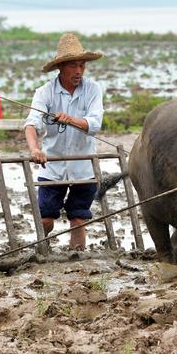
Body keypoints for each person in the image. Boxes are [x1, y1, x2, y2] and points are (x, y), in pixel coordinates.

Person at [24, 33, 104, 250]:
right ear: (60, 67)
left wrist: (72, 119)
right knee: (45, 219)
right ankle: (42, 247)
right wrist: (35, 149)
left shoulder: (93, 90)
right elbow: (32, 124)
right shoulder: (44, 93)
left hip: (83, 166)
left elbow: (95, 123)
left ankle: (77, 258)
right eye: (73, 66)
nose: (78, 71)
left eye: (82, 66)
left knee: (79, 218)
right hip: (53, 165)